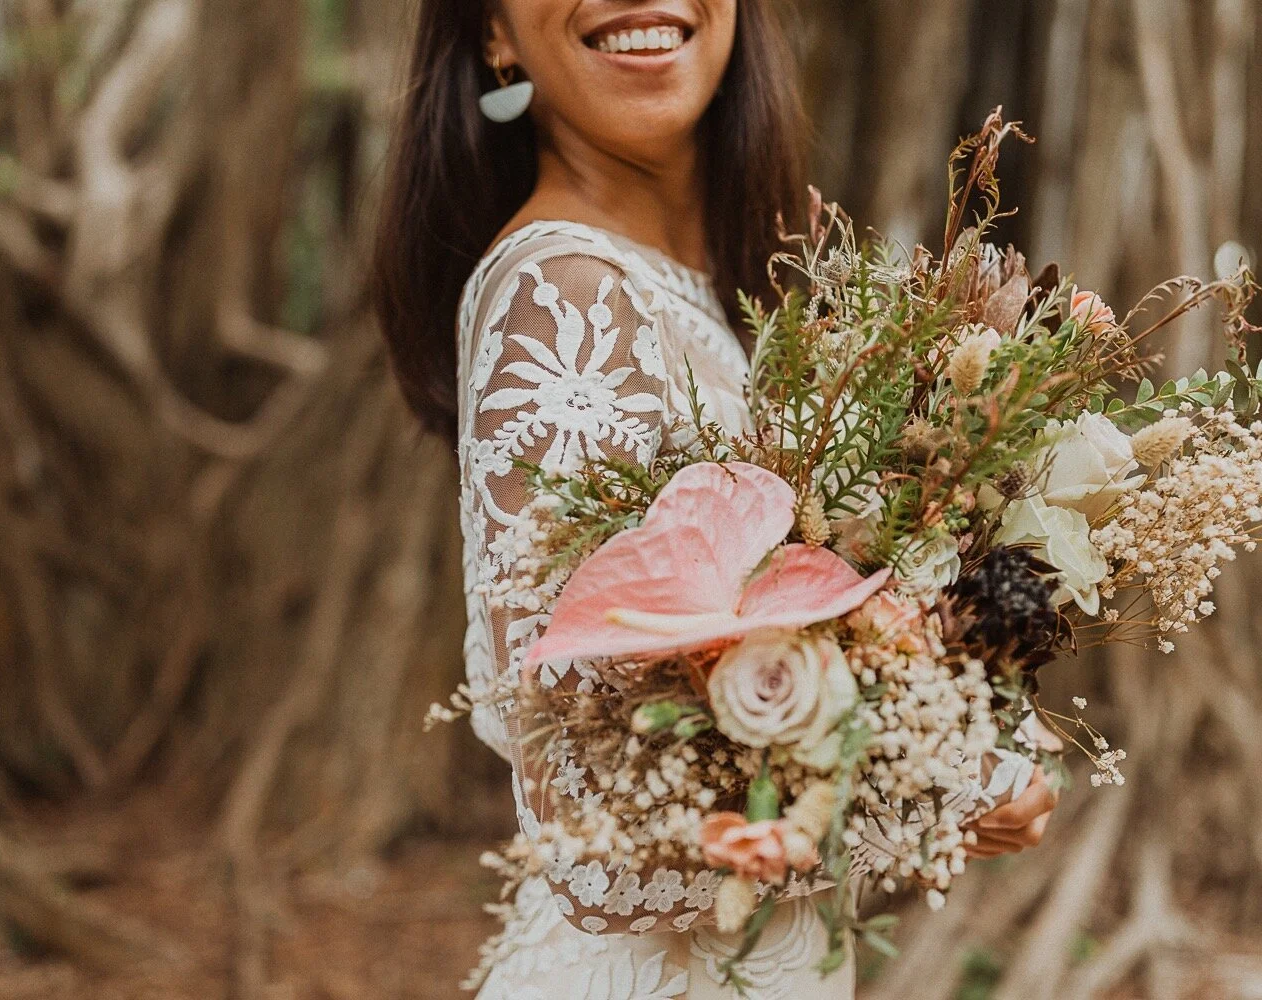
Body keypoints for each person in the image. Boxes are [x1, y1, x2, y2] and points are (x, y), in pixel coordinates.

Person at [373, 2, 1057, 996]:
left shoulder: (703, 288)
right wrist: (952, 781)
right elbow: (592, 832)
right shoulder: (565, 290)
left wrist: (969, 696)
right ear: (495, 34)